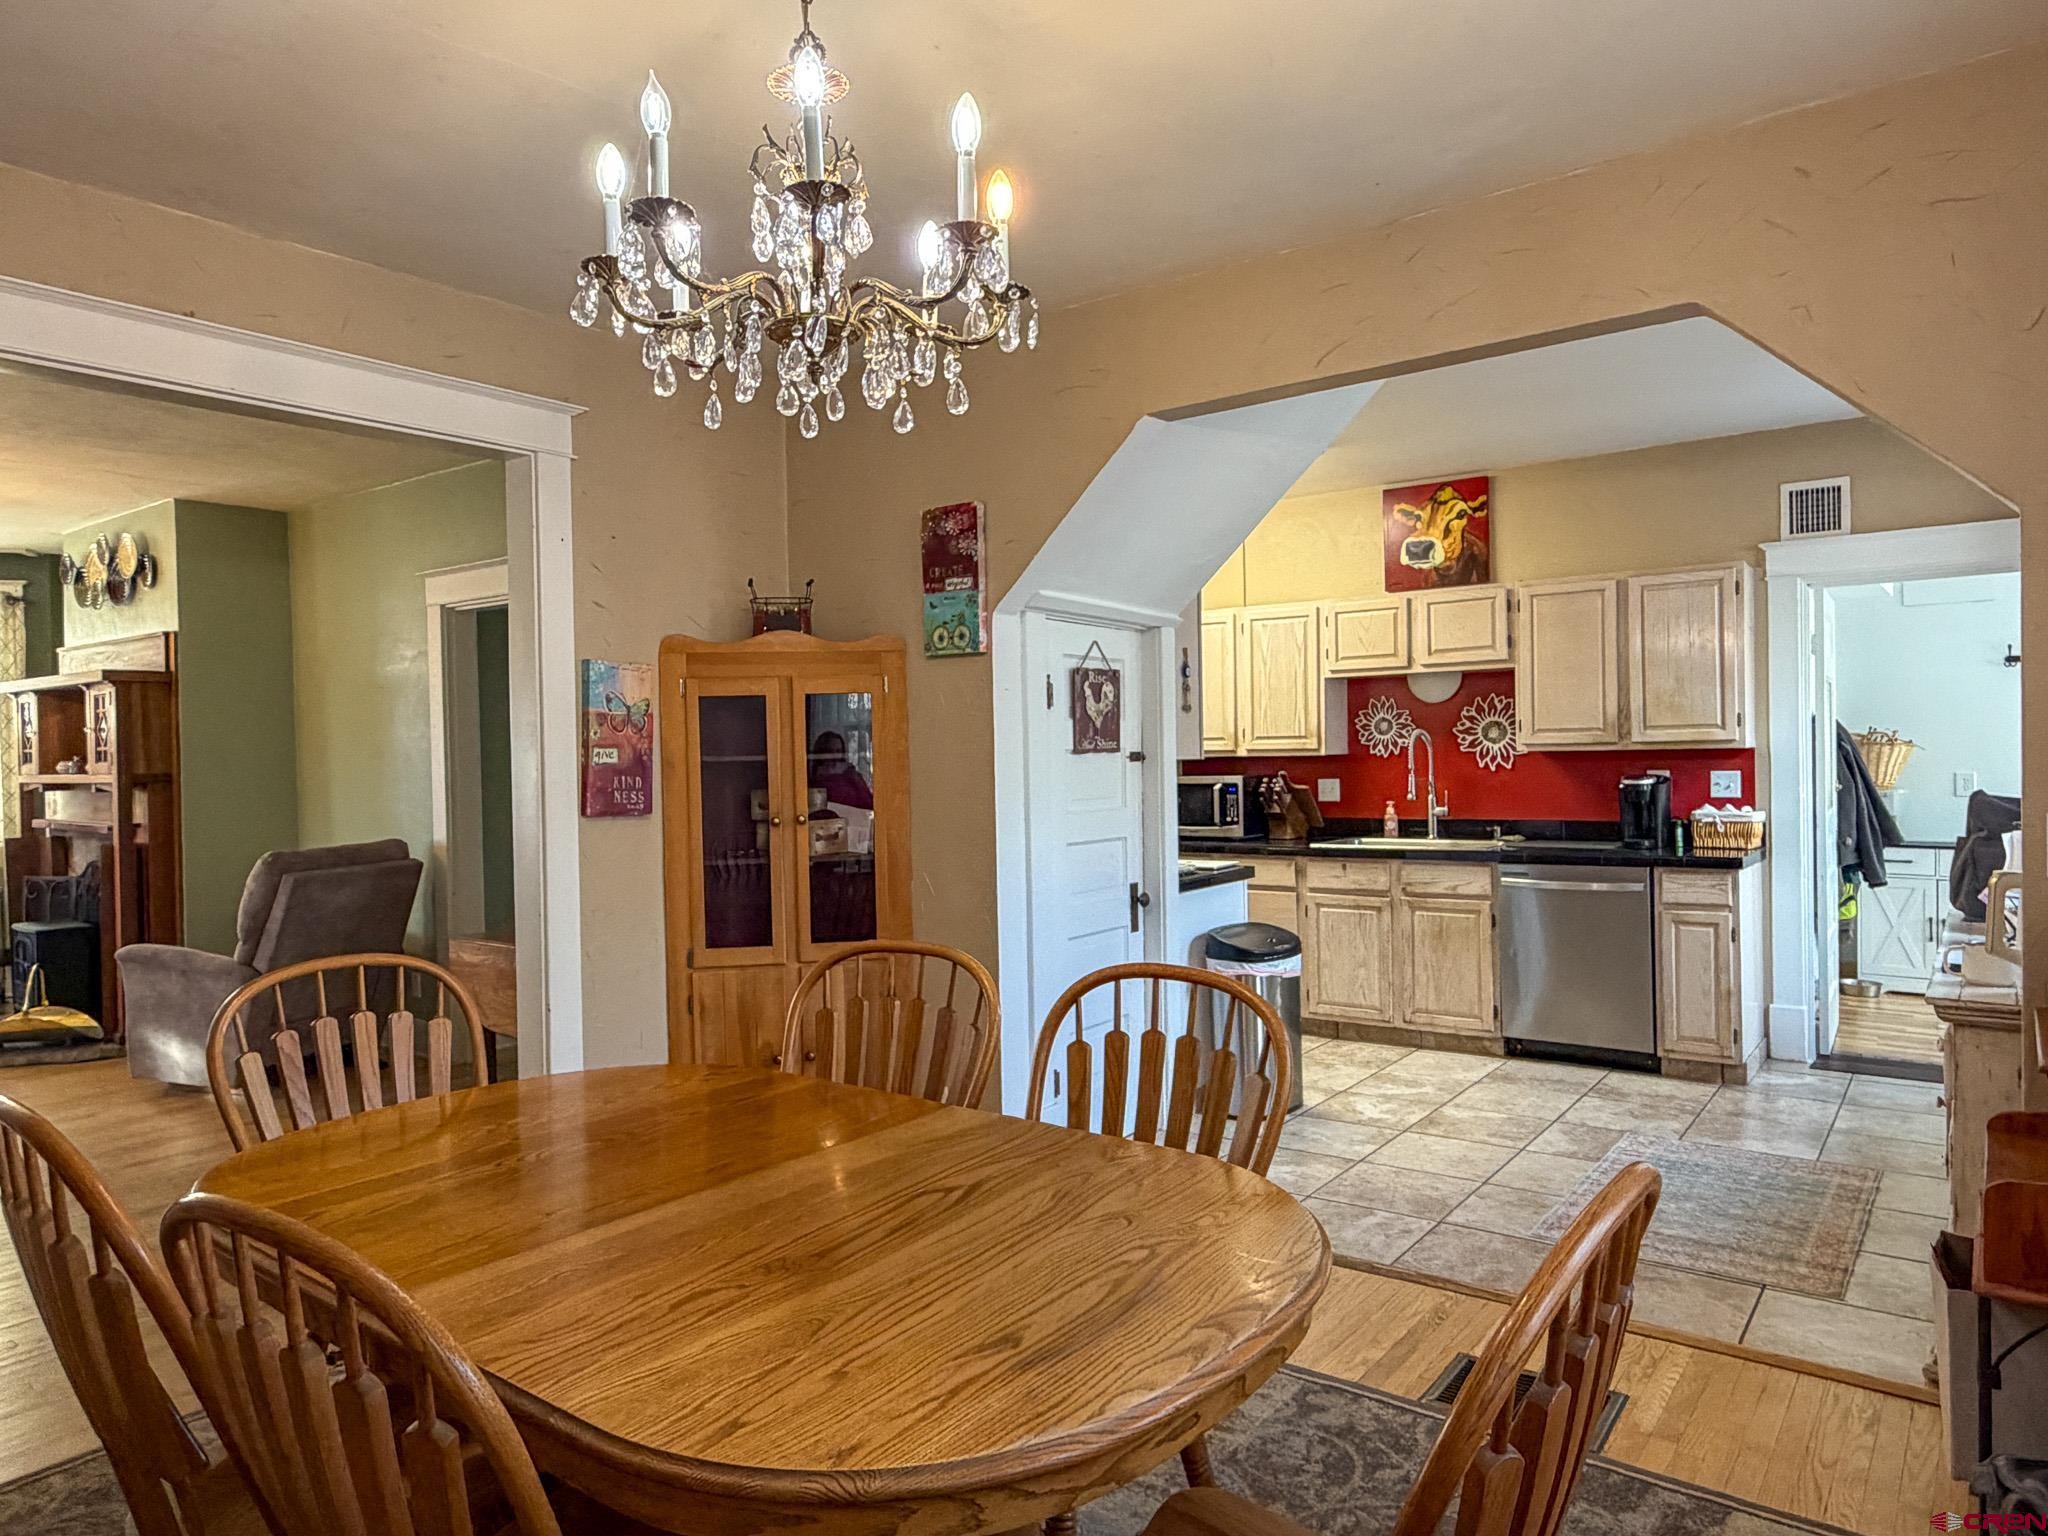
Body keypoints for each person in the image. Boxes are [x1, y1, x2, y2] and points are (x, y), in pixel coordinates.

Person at [809, 730, 873, 811]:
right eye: (830, 751)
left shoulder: (851, 774)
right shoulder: (812, 779)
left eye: (838, 751)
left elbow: (869, 803)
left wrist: (853, 777)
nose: (834, 756)